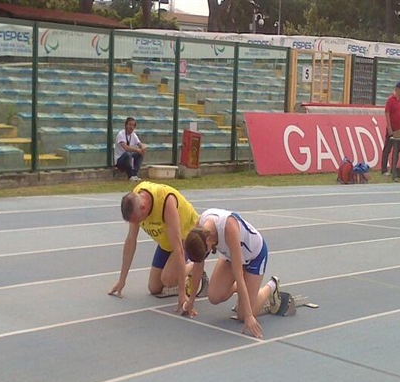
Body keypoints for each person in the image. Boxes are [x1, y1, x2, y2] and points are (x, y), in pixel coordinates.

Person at [183, 208, 282, 339]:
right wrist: (191, 301)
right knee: (214, 296)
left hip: (254, 257)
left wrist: (249, 316)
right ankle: (241, 290)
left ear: (208, 241)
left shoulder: (229, 228)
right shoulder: (200, 228)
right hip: (231, 256)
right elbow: (198, 266)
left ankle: (271, 286)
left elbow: (238, 273)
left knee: (243, 315)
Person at [108, 181, 198, 312]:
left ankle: (196, 268)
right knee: (154, 288)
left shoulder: (166, 202)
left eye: (137, 220)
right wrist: (122, 280)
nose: (137, 223)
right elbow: (131, 240)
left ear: (143, 208)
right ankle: (180, 272)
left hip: (188, 237)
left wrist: (182, 295)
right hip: (166, 242)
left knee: (168, 279)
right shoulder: (136, 200)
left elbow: (178, 248)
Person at [380, 81, 400, 177]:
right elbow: (387, 113)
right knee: (387, 148)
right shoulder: (391, 100)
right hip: (393, 129)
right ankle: (383, 169)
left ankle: (393, 169)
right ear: (398, 89)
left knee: (398, 149)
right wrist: (389, 127)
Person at [115, 117, 146, 182]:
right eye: (130, 124)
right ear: (126, 125)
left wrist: (142, 148)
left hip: (129, 158)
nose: (131, 127)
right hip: (120, 161)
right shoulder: (121, 134)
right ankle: (130, 176)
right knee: (127, 154)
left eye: (133, 125)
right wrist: (137, 150)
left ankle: (134, 174)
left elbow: (140, 144)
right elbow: (126, 148)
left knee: (140, 154)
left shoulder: (133, 135)